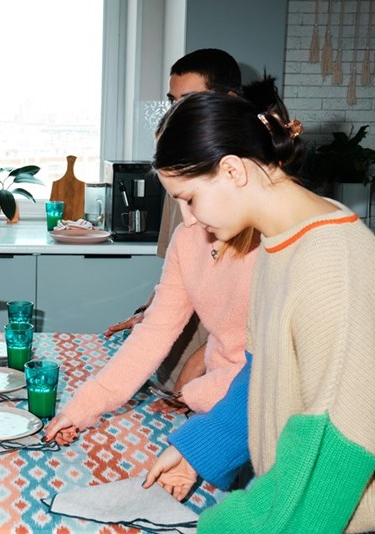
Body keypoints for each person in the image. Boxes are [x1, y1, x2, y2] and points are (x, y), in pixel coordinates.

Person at [143, 79, 375, 532]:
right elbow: (263, 372)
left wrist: (222, 526)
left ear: (232, 171)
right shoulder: (279, 241)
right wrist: (198, 450)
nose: (189, 220)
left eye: (189, 199)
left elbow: (332, 451)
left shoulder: (332, 264)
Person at [106, 49, 243, 393]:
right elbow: (177, 272)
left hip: (223, 365)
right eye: (173, 101)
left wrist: (200, 360)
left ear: (227, 102)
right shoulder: (182, 166)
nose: (177, 113)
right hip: (180, 347)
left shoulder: (241, 182)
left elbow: (250, 318)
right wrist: (147, 314)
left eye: (190, 100)